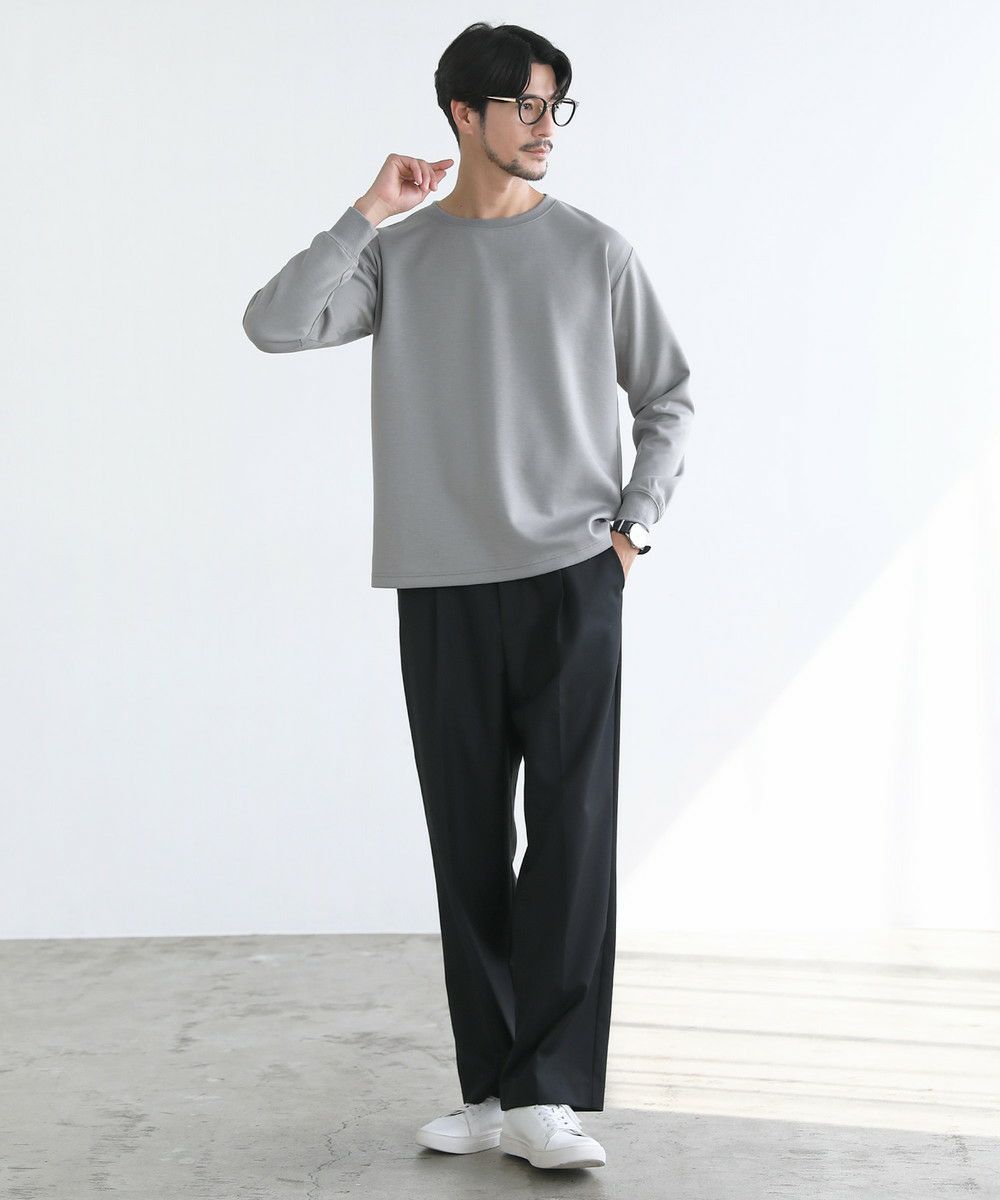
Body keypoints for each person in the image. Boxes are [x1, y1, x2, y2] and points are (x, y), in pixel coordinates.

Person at [242, 20, 694, 1172]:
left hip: (570, 581)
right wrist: (365, 211)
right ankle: (492, 1089)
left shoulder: (593, 251)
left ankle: (548, 1094)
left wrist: (631, 532)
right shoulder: (398, 257)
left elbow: (669, 397)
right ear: (463, 114)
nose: (545, 127)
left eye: (554, 107)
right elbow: (273, 325)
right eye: (525, 106)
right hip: (441, 585)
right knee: (467, 841)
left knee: (572, 836)